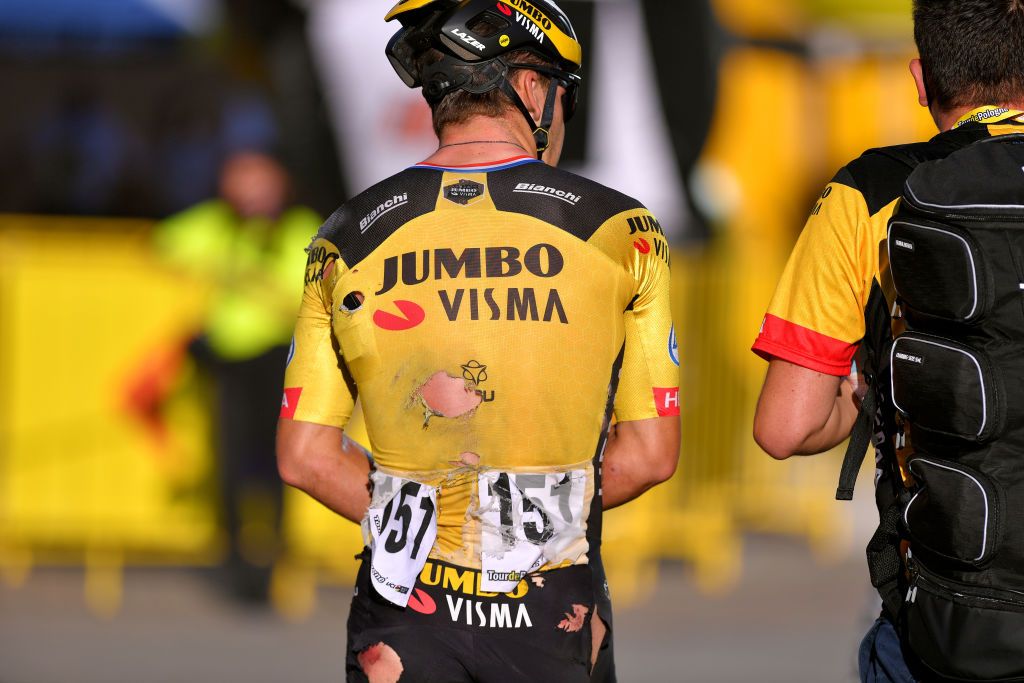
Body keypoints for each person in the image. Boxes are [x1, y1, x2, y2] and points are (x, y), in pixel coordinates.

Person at [275, 0, 680, 680]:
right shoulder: (623, 231)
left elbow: (305, 456)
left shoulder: (345, 235)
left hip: (404, 606)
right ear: (530, 89)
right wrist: (516, 523)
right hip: (550, 606)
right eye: (563, 97)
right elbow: (649, 454)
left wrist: (438, 526)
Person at [751, 1, 1024, 681]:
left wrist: (871, 389)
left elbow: (786, 426)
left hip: (946, 619)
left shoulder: (869, 191)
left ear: (920, 77)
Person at [154, 150, 321, 602]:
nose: (250, 191)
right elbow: (164, 241)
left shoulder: (297, 227)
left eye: (259, 180)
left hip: (278, 362)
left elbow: (301, 293)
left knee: (279, 463)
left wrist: (243, 275)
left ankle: (274, 557)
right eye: (240, 180)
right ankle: (234, 558)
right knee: (227, 462)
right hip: (228, 361)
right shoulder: (218, 225)